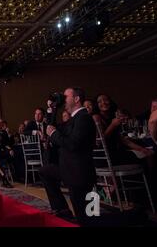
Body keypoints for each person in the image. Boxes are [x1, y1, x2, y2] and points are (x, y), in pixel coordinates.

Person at [39, 87, 96, 226]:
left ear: (76, 99)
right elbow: (51, 129)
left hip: (79, 174)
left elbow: (72, 144)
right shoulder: (73, 119)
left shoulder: (84, 118)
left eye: (66, 96)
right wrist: (52, 109)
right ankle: (62, 210)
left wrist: (54, 134)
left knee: (87, 218)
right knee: (45, 171)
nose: (63, 99)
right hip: (68, 170)